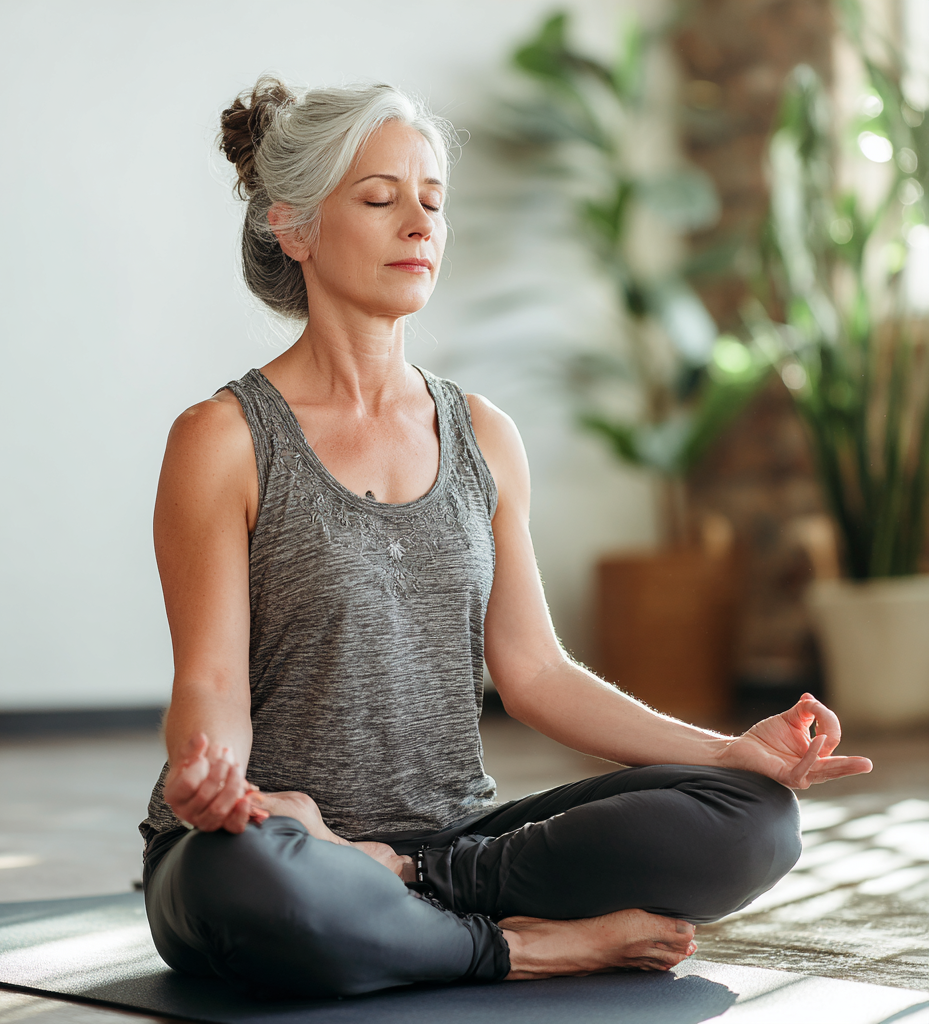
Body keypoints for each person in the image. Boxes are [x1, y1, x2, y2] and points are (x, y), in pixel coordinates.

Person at [139, 76, 873, 999]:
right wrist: (215, 780)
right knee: (249, 886)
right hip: (273, 843)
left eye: (433, 202)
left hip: (458, 847)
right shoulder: (224, 440)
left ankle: (417, 894)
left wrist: (729, 751)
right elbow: (209, 683)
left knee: (756, 820)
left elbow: (535, 674)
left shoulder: (482, 435)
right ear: (294, 228)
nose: (419, 225)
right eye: (380, 198)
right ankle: (526, 948)